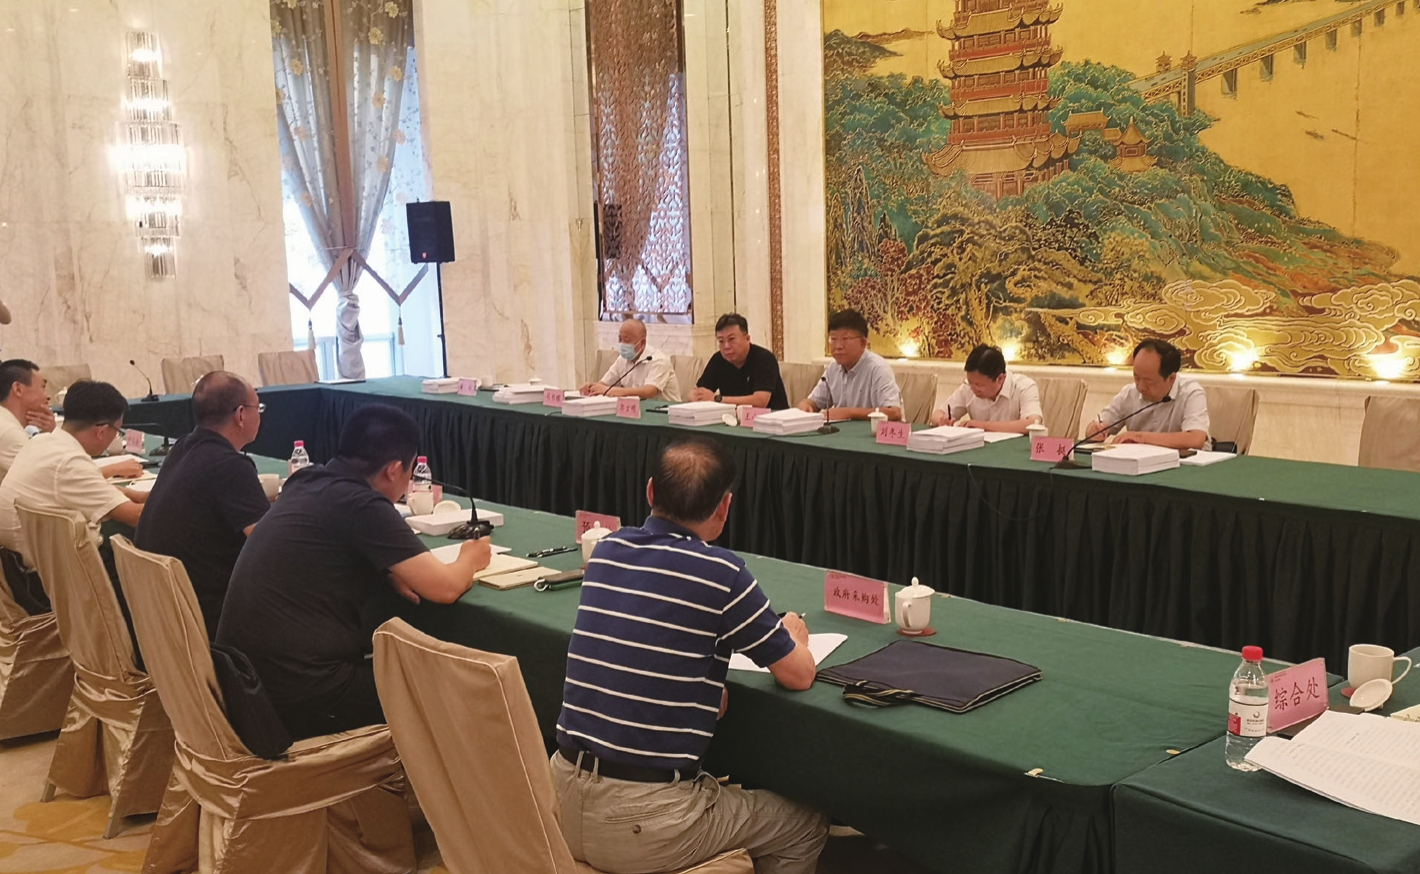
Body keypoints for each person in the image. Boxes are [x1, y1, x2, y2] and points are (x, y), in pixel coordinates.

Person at [552, 436, 828, 874]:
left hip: (559, 799)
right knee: (804, 824)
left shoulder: (607, 552)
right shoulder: (722, 574)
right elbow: (799, 674)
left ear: (649, 491)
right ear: (724, 507)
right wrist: (794, 636)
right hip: (644, 821)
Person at [217, 403, 492, 741]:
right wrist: (471, 557)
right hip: (296, 700)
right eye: (409, 474)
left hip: (246, 686)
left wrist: (387, 570)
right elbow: (445, 587)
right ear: (393, 470)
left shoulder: (307, 480)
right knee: (450, 688)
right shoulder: (361, 503)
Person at [134, 372, 271, 641]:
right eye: (259, 408)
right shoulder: (230, 467)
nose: (261, 415)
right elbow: (268, 547)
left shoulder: (182, 447)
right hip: (207, 621)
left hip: (161, 616)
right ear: (241, 415)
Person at [0, 380, 148, 566]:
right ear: (102, 431)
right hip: (57, 572)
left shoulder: (42, 442)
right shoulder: (70, 462)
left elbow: (91, 487)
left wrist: (138, 496)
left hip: (20, 564)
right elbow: (136, 517)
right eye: (117, 430)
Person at [1085, 338, 1210, 450]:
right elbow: (1098, 426)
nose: (1140, 386)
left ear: (1171, 378)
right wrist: (1093, 430)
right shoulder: (1129, 393)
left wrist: (1140, 437)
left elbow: (1195, 439)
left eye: (1149, 382)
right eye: (1136, 377)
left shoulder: (1191, 392)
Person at [796, 309, 903, 421]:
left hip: (875, 431)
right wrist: (806, 405)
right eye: (833, 339)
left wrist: (848, 413)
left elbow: (894, 413)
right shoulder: (833, 369)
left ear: (863, 343)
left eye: (845, 339)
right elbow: (814, 402)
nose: (838, 346)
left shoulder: (878, 368)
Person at [930, 344, 1042, 433]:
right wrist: (942, 420)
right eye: (970, 382)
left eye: (979, 385)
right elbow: (937, 414)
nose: (973, 388)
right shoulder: (968, 388)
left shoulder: (1024, 386)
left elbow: (1032, 423)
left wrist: (983, 426)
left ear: (1000, 379)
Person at [689, 313, 789, 409]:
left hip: (770, 418)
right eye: (721, 341)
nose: (726, 346)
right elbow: (696, 392)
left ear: (747, 339)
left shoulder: (764, 358)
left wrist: (717, 399)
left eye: (731, 339)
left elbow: (760, 401)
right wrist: (696, 396)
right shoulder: (718, 360)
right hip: (731, 418)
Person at [580, 317, 682, 402]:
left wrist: (610, 391)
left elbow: (648, 391)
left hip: (663, 412)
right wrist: (591, 387)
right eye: (620, 339)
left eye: (626, 340)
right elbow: (604, 384)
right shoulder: (622, 359)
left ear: (642, 343)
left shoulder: (659, 360)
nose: (622, 344)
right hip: (634, 411)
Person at [0, 359, 58, 479]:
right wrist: (55, 436)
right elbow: (50, 480)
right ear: (18, 389)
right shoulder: (9, 432)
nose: (47, 396)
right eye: (42, 387)